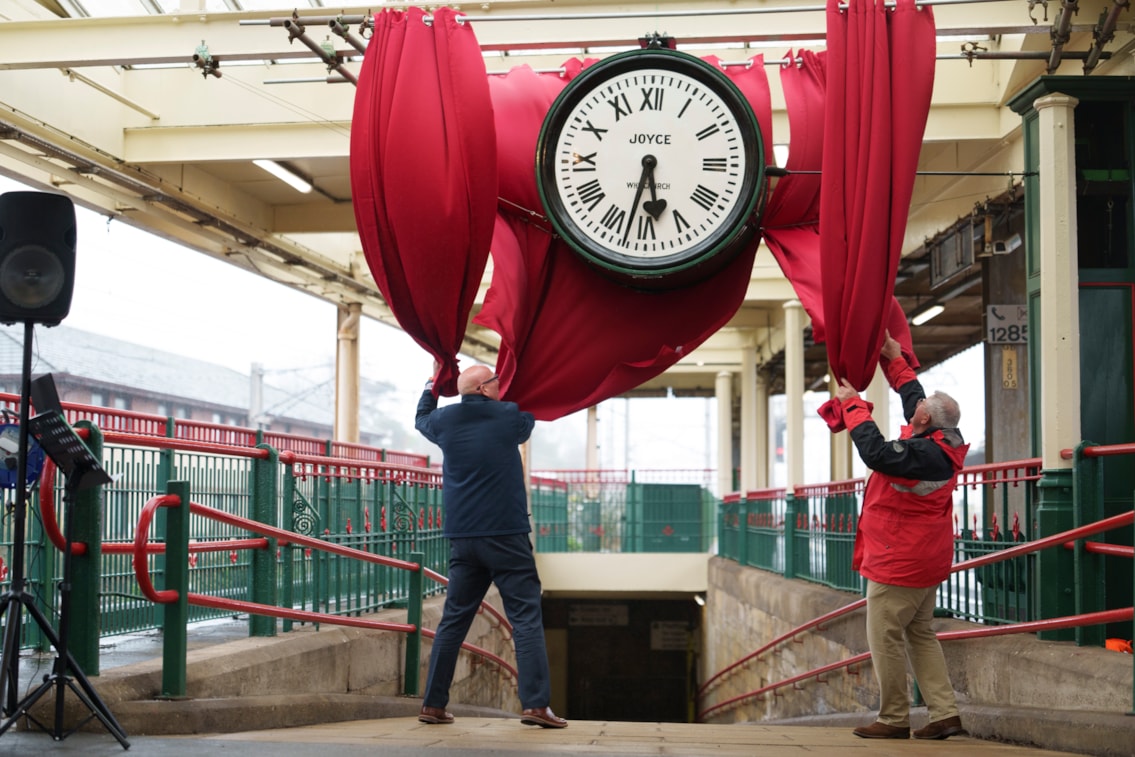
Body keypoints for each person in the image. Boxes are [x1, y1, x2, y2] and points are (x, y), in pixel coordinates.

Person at [830, 331, 969, 741]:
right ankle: (945, 714)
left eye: (923, 407)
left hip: (899, 562)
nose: (918, 405)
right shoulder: (939, 441)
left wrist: (852, 404)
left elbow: (874, 452)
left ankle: (893, 718)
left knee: (884, 637)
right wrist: (894, 358)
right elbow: (914, 397)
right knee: (920, 634)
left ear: (925, 420)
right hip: (925, 560)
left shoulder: (920, 454)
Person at [414, 362, 567, 729]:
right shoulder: (508, 417)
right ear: (484, 389)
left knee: (453, 621)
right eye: (496, 381)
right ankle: (535, 706)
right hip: (506, 536)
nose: (500, 385)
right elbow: (528, 420)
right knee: (525, 618)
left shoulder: (444, 421)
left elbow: (421, 418)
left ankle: (433, 704)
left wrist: (433, 381)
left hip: (463, 539)